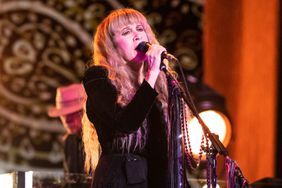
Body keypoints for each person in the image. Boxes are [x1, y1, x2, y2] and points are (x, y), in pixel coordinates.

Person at [82, 8, 178, 188]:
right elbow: (125, 124)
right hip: (119, 179)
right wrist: (151, 74)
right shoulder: (98, 78)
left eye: (140, 29)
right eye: (126, 32)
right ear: (112, 46)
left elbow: (163, 154)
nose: (137, 35)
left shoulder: (160, 87)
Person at [48, 83, 86, 174]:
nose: (67, 120)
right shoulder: (68, 141)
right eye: (63, 115)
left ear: (85, 111)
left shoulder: (101, 141)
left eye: (72, 114)